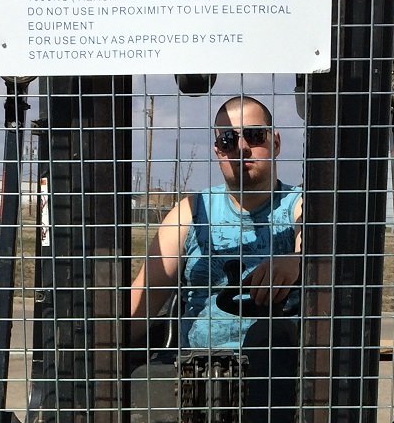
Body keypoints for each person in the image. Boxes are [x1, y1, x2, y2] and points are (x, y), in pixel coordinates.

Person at [129, 95, 303, 351]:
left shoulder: (299, 205)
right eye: (228, 140)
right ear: (218, 151)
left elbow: (313, 242)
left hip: (277, 368)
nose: (241, 148)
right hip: (196, 369)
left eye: (254, 135)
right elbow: (144, 298)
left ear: (275, 142)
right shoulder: (190, 212)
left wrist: (299, 261)